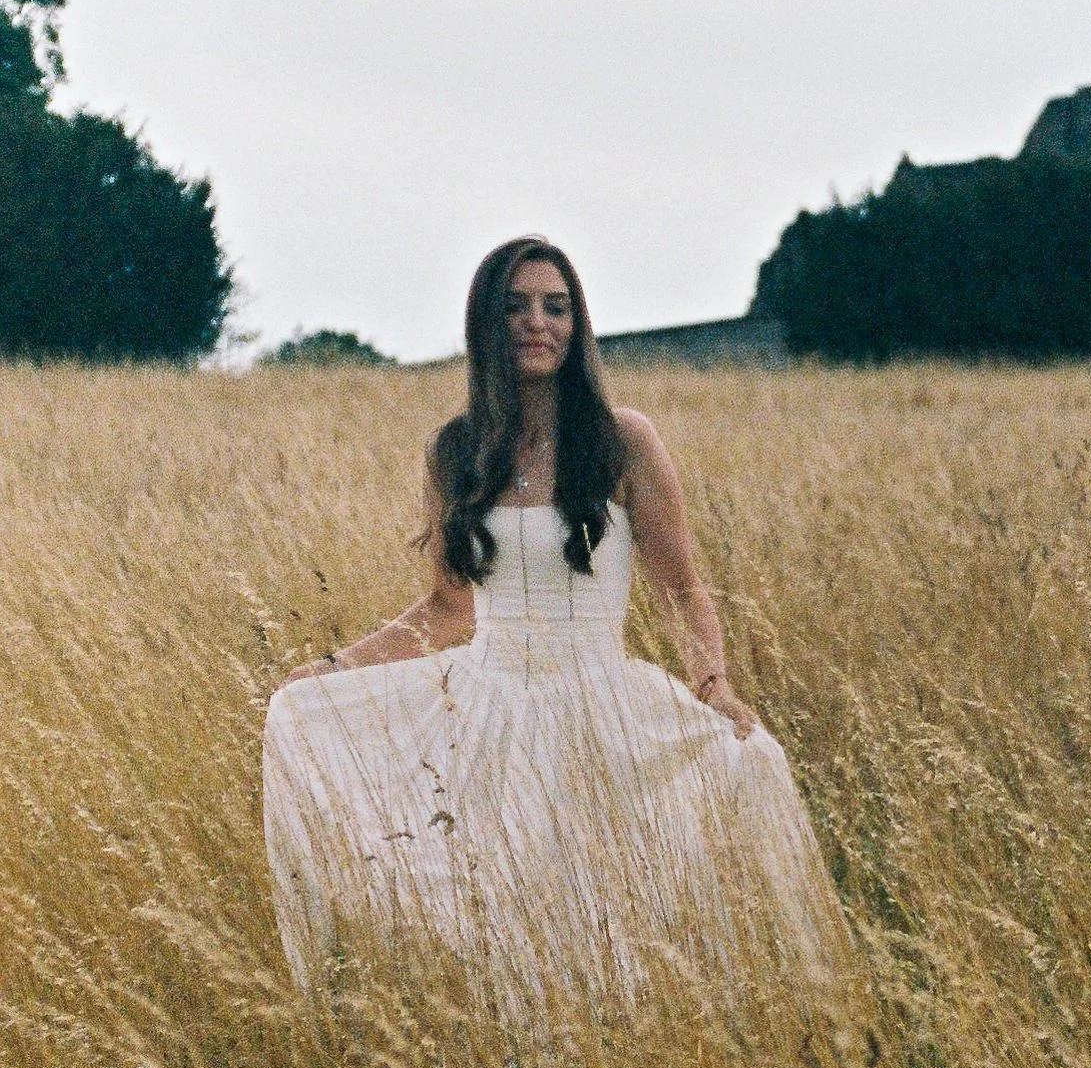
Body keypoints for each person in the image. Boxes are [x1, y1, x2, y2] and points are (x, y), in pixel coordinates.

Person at [263, 236, 838, 995]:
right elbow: (447, 608)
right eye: (517, 306)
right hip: (489, 710)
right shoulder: (456, 451)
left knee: (611, 915)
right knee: (503, 919)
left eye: (557, 307)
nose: (539, 323)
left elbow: (683, 589)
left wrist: (712, 684)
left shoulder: (622, 439)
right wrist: (334, 670)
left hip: (601, 706)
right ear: (486, 325)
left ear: (579, 324)